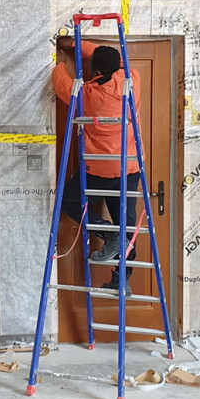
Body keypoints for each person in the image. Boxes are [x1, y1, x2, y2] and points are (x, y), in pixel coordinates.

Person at [53, 37, 144, 297]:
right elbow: (111, 60)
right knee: (125, 227)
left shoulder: (86, 95)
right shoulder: (132, 82)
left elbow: (60, 79)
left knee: (69, 202)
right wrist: (78, 45)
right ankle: (122, 279)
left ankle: (107, 232)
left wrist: (59, 54)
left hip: (98, 172)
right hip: (129, 168)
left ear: (97, 72)